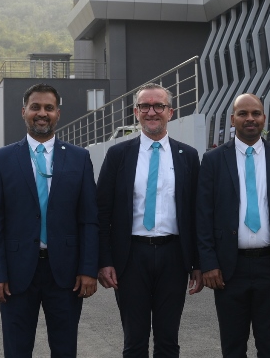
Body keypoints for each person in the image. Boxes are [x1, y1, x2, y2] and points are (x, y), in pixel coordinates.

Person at [0, 83, 99, 357]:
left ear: (58, 113)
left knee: (65, 350)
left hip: (66, 274)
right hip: (16, 275)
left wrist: (88, 269)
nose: (42, 113)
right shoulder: (1, 160)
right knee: (17, 350)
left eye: (49, 108)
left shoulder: (80, 158)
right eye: (35, 107)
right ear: (24, 111)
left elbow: (89, 219)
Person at [96, 83, 203, 357]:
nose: (152, 112)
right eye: (145, 106)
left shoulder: (188, 156)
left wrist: (198, 263)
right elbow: (102, 211)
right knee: (134, 341)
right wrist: (105, 260)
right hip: (131, 257)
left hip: (173, 257)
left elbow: (197, 213)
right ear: (136, 112)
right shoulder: (118, 155)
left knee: (168, 341)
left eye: (159, 106)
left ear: (170, 112)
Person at [196, 93, 270, 358]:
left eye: (255, 113)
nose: (250, 119)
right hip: (229, 270)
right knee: (232, 347)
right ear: (233, 119)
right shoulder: (212, 161)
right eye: (243, 114)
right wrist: (208, 263)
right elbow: (203, 215)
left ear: (264, 118)